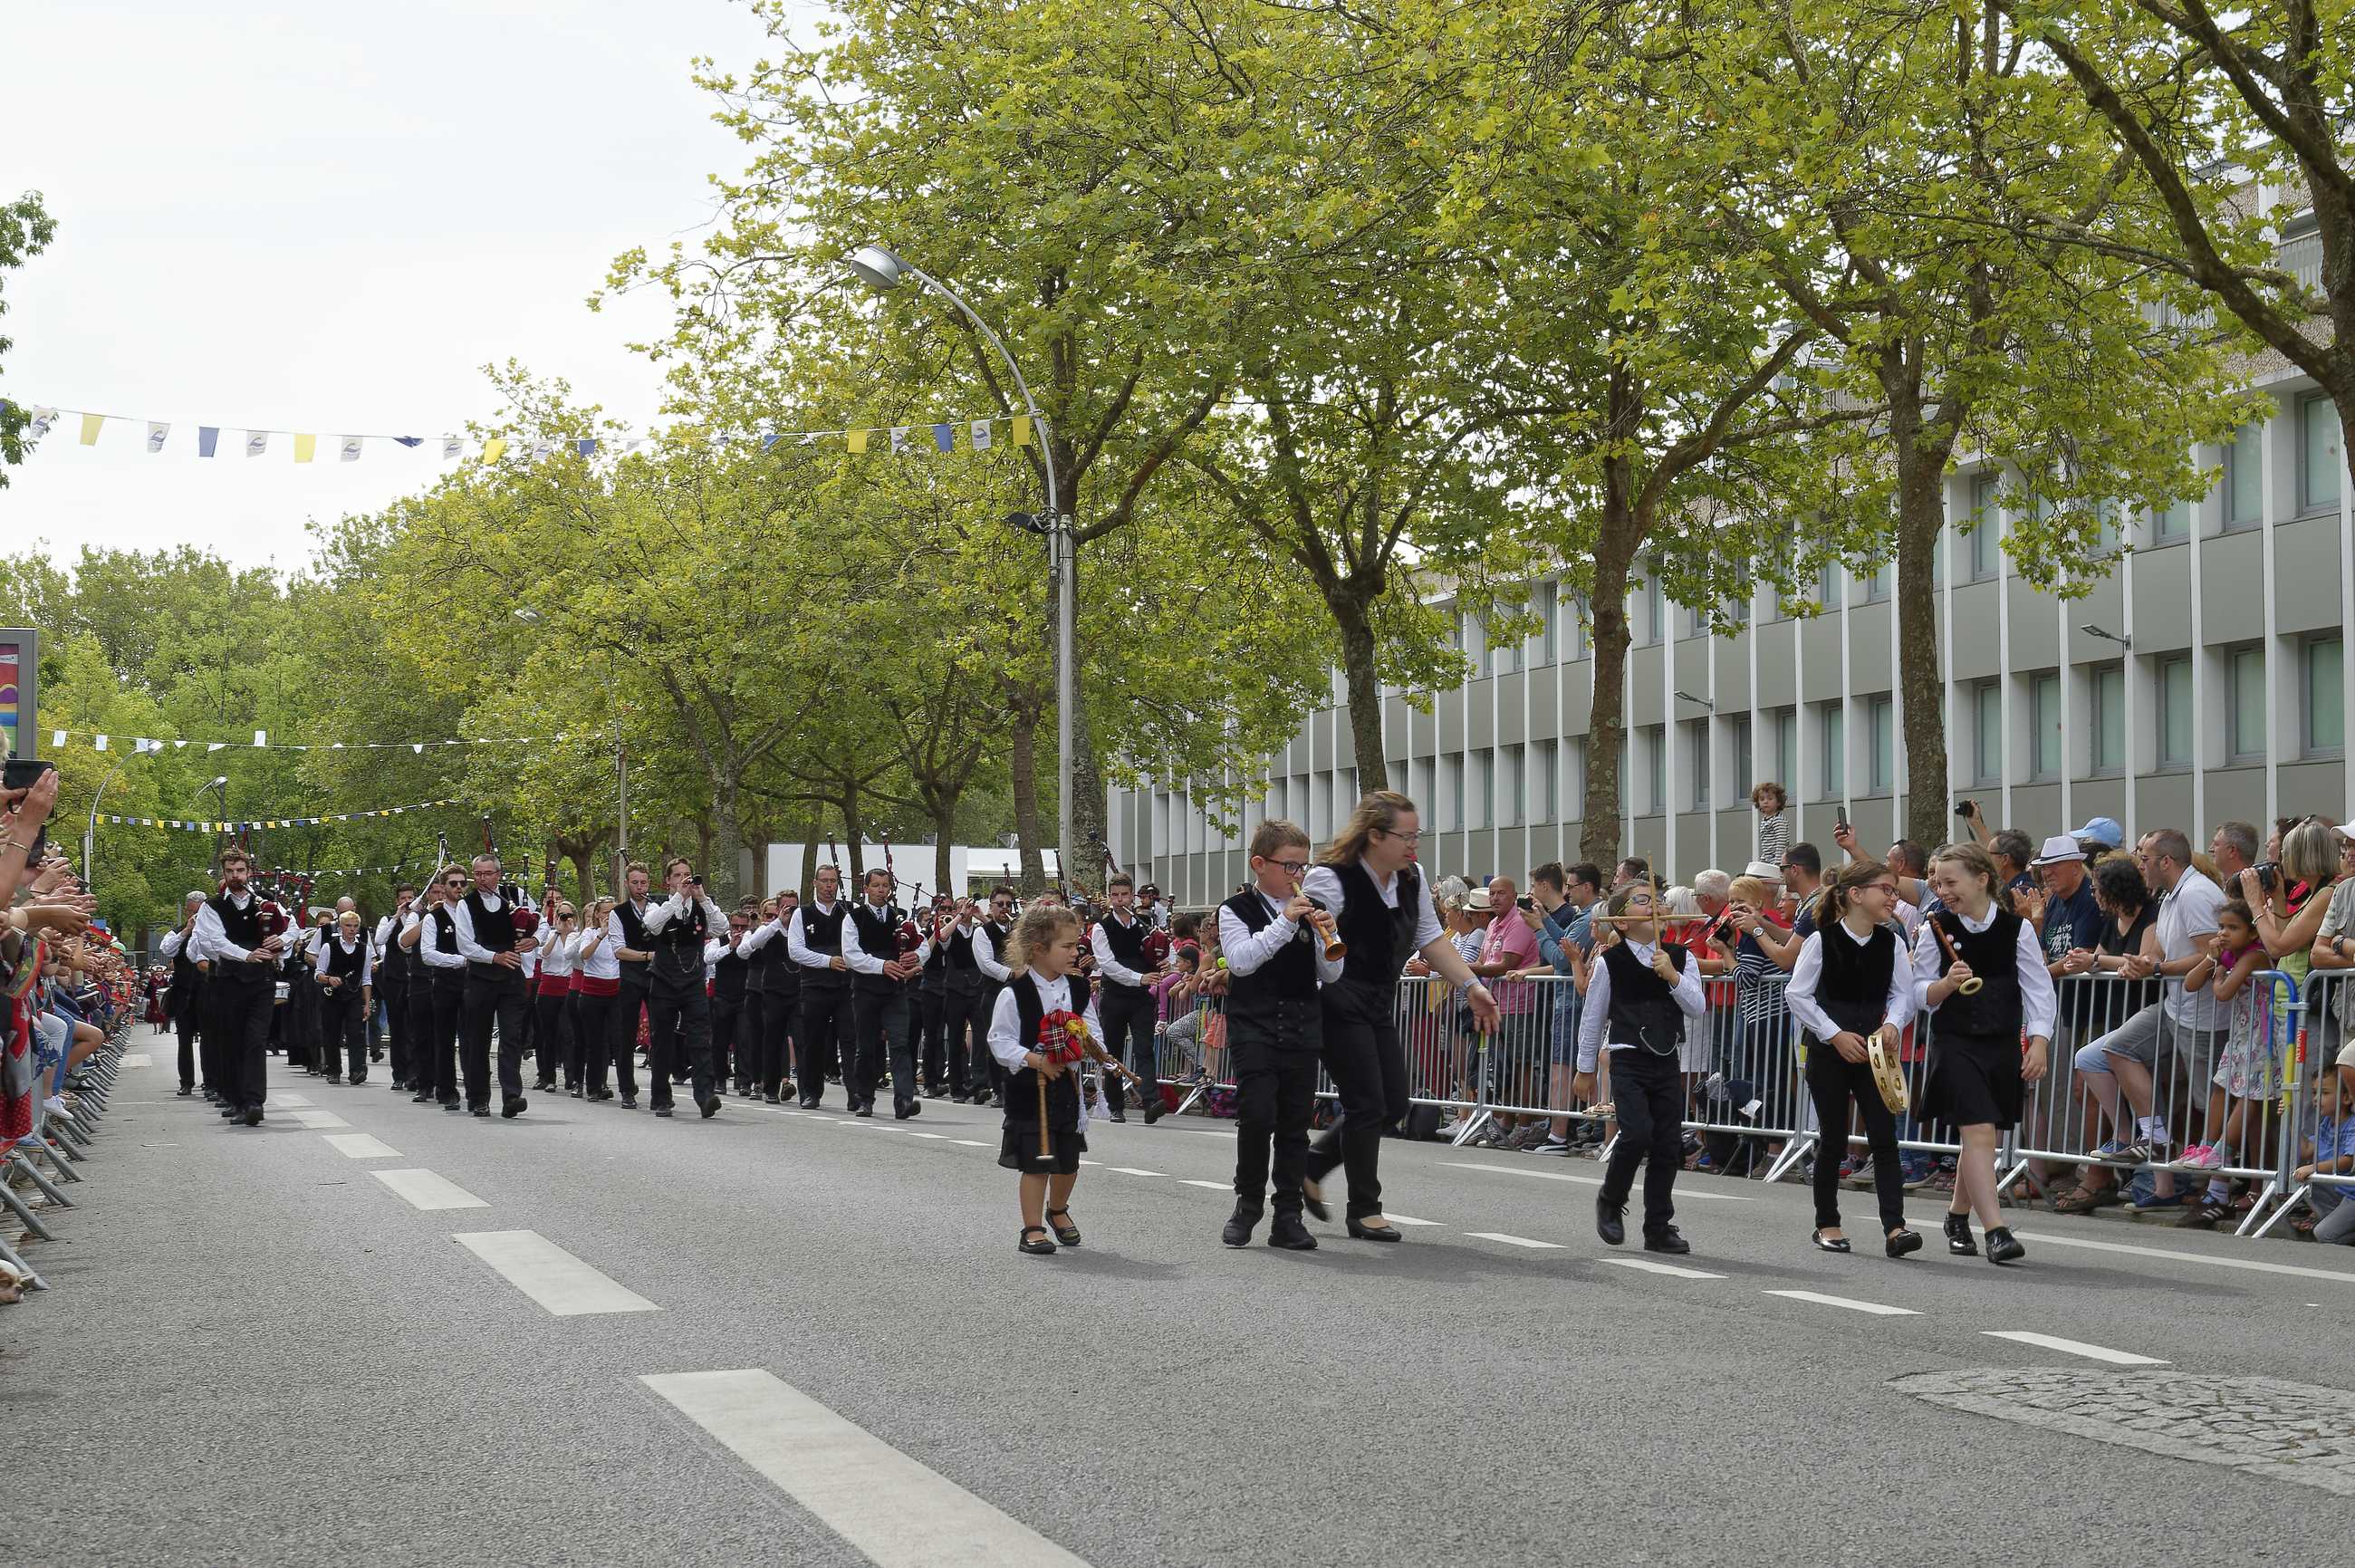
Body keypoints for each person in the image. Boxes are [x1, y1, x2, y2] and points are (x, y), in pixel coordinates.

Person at [1302, 791, 1497, 1241]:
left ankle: (1312, 1164)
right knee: (1366, 1103)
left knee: (1392, 1104)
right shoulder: (1331, 879)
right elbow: (1307, 947)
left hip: (1377, 1002)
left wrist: (1472, 986)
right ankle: (1364, 1209)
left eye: (1416, 835)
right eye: (1405, 836)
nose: (1414, 845)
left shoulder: (1413, 877)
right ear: (1374, 835)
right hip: (1334, 1000)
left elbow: (1431, 938)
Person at [1914, 841, 2054, 1265]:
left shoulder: (2017, 929)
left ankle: (1957, 1216)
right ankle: (1995, 1230)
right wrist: (1945, 985)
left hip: (2001, 1042)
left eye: (1950, 882)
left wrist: (2040, 1041)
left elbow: (2038, 989)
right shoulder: (1935, 927)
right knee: (1978, 1133)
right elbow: (1919, 992)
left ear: (1981, 880)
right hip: (1955, 1042)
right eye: (1938, 883)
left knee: (1980, 1139)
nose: (1942, 891)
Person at [2079, 828, 2226, 1209]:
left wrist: (2157, 968)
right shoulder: (2170, 894)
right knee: (2115, 1049)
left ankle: (2220, 1190)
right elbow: (2158, 949)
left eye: (2144, 858)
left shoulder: (2195, 894)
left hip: (2206, 1014)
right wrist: (2144, 962)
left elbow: (2211, 955)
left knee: (2209, 1101)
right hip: (2175, 1007)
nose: (2138, 864)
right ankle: (2152, 1136)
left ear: (2166, 861)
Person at [1217, 821, 1345, 1250]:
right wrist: (1286, 922)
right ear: (1259, 864)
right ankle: (1248, 1203)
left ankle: (1287, 1215)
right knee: (1257, 1116)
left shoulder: (1313, 907)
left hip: (1302, 1023)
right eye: (1289, 866)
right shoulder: (1235, 909)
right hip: (1254, 1024)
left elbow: (1332, 972)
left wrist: (1326, 935)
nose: (1298, 875)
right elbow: (1241, 961)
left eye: (1302, 866)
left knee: (1294, 1124)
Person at [1783, 859, 1920, 1258]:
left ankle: (1895, 1227)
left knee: (1884, 1137)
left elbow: (1903, 994)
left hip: (1874, 1053)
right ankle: (1827, 1223)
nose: (1893, 898)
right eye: (1886, 889)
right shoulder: (1821, 940)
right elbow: (1798, 994)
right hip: (1829, 1052)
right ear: (1856, 895)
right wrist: (1834, 1034)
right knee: (1834, 1137)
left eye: (1894, 890)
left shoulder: (1892, 943)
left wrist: (1892, 1024)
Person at [1574, 884, 1706, 1252]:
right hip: (1628, 1058)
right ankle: (1611, 1199)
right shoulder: (1610, 962)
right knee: (1636, 1134)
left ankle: (1658, 1226)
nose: (1655, 905)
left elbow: (1698, 1007)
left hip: (1666, 1059)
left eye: (1658, 900)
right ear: (1622, 922)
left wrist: (1673, 977)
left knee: (1667, 1143)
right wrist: (1585, 1067)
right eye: (1643, 900)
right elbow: (1593, 1017)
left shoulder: (1681, 957)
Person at [987, 903, 1100, 1255]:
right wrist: (1036, 1060)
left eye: (1076, 944)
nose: (1075, 952)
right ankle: (1032, 1228)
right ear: (1038, 948)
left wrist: (1088, 1049)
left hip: (1066, 1088)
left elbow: (1092, 1030)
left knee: (1068, 1162)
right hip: (1029, 1090)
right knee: (1037, 1163)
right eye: (1067, 946)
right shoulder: (1015, 993)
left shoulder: (1079, 989)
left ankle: (1058, 1209)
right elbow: (1000, 1040)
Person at [190, 847, 286, 1127]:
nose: (236, 876)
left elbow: (291, 927)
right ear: (223, 873)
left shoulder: (266, 903)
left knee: (255, 1040)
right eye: (230, 871)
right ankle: (235, 1098)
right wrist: (246, 955)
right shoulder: (212, 907)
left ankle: (254, 1102)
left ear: (249, 872)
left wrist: (281, 941)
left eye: (240, 871)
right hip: (228, 980)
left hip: (261, 981)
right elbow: (214, 942)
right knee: (231, 1041)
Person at [643, 857, 727, 1119]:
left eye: (687, 875)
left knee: (701, 1038)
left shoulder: (701, 906)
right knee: (663, 1040)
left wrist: (702, 897)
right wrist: (678, 897)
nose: (684, 880)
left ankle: (705, 1096)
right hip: (664, 981)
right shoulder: (658, 906)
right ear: (668, 880)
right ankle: (661, 1097)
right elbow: (652, 926)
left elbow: (721, 928)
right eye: (678, 875)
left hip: (693, 982)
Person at [450, 854, 533, 1119]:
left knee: (511, 1037)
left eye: (487, 874)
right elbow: (465, 945)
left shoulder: (516, 895)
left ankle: (512, 1096)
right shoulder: (466, 905)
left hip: (511, 978)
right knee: (478, 1039)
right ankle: (478, 1098)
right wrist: (494, 957)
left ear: (498, 874)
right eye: (477, 874)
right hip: (481, 978)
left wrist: (534, 941)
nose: (482, 879)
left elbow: (542, 922)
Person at [841, 867, 928, 1119]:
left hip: (895, 991)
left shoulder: (901, 918)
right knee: (866, 1046)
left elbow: (923, 945)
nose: (881, 890)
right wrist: (881, 966)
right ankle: (864, 1099)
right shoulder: (854, 918)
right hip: (866, 991)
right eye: (876, 886)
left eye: (885, 886)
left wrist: (916, 956)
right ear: (866, 889)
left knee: (900, 1044)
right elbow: (851, 955)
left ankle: (904, 1101)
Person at [1091, 873, 1167, 1124]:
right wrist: (1139, 978)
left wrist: (1166, 962)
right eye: (1115, 895)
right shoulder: (1102, 928)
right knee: (1113, 1051)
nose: (1120, 900)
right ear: (1109, 897)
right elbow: (1108, 965)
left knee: (1144, 1048)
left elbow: (1164, 951)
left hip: (1141, 997)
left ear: (1132, 896)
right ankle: (1115, 1105)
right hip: (1114, 995)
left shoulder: (1146, 923)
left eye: (1124, 895)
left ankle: (1150, 1102)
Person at [401, 867, 470, 1111]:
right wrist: (461, 960)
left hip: (468, 981)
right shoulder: (423, 916)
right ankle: (430, 1085)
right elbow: (406, 943)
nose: (457, 888)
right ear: (431, 893)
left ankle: (473, 1089)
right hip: (429, 979)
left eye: (462, 884)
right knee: (430, 1036)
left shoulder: (470, 912)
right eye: (450, 885)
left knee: (470, 1037)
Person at [788, 864, 856, 1111]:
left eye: (833, 881)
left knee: (850, 1041)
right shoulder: (802, 914)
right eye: (824, 881)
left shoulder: (849, 912)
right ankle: (811, 1092)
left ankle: (856, 1094)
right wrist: (827, 961)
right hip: (814, 987)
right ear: (815, 883)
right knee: (813, 1041)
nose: (829, 886)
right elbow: (795, 951)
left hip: (845, 988)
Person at [574, 896, 629, 1102]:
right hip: (592, 993)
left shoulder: (621, 934)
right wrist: (601, 935)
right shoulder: (589, 933)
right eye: (605, 912)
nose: (609, 916)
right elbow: (584, 955)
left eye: (613, 912)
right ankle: (594, 1087)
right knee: (595, 1043)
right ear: (597, 914)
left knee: (619, 1042)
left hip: (616, 992)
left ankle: (626, 1089)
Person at [971, 885, 1019, 1106]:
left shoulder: (1018, 931)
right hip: (994, 993)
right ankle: (998, 1089)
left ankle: (1015, 1088)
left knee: (1018, 1040)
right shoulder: (983, 932)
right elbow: (986, 964)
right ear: (991, 906)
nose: (1004, 908)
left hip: (1018, 993)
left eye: (1008, 904)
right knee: (996, 1042)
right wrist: (1012, 973)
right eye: (1000, 904)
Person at [314, 909, 373, 1086]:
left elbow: (366, 979)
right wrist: (328, 979)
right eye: (348, 926)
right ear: (340, 927)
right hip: (333, 997)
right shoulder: (329, 947)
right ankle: (333, 1070)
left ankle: (357, 1070)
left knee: (356, 1033)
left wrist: (367, 1003)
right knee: (331, 1033)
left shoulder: (365, 949)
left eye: (355, 926)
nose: (352, 929)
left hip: (354, 996)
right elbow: (318, 974)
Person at [159, 891, 205, 1097]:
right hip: (184, 991)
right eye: (193, 912)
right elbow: (167, 949)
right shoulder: (177, 932)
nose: (196, 916)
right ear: (187, 911)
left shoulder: (213, 932)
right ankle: (186, 1081)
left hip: (206, 991)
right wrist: (186, 930)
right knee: (184, 1039)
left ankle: (211, 1081)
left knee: (210, 1038)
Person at [373, 885, 416, 1094]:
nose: (407, 902)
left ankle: (415, 1073)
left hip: (415, 979)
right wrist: (396, 917)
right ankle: (399, 1074)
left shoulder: (420, 918)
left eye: (410, 898)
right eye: (403, 898)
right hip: (394, 980)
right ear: (397, 901)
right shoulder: (388, 920)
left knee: (415, 1028)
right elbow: (379, 940)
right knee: (398, 1028)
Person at [707, 904, 754, 1097]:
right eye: (735, 926)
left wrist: (744, 941)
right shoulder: (719, 941)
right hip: (722, 997)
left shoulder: (750, 941)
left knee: (744, 1040)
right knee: (719, 1041)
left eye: (743, 926)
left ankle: (744, 1081)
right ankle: (719, 1078)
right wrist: (729, 947)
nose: (739, 930)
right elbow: (708, 958)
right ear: (730, 925)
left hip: (744, 997)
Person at [534, 898, 580, 1094]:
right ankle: (547, 1077)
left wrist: (570, 932)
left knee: (568, 1034)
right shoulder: (549, 934)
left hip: (568, 985)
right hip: (548, 986)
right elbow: (543, 953)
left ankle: (572, 1077)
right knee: (548, 1035)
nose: (565, 918)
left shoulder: (578, 936)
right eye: (562, 915)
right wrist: (557, 932)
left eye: (568, 915)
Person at [1752, 782, 1790, 866]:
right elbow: (1766, 847)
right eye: (1762, 799)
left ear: (1778, 802)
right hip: (1769, 859)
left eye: (1770, 799)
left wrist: (1777, 863)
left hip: (1779, 860)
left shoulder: (1778, 820)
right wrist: (1762, 862)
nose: (1766, 802)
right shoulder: (1764, 821)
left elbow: (1781, 842)